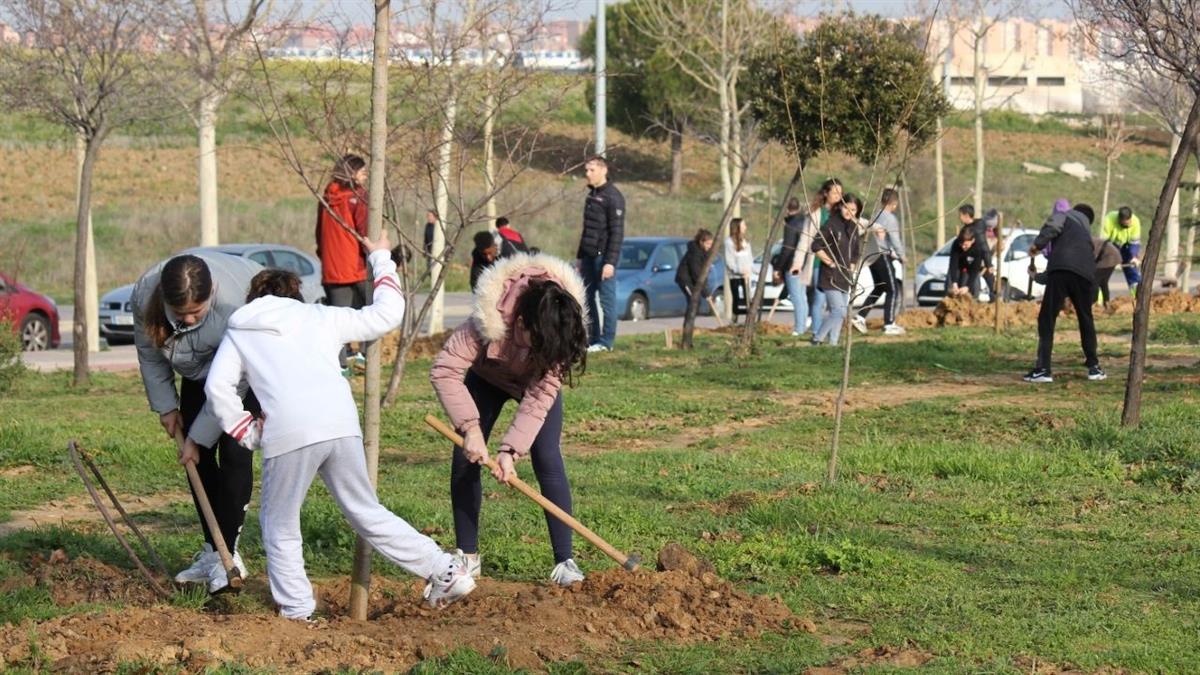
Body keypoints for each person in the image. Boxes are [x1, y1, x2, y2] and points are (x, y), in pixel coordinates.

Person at [199, 231, 475, 619]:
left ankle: (296, 609)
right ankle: (444, 569)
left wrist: (248, 432)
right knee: (365, 511)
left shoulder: (242, 328)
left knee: (279, 523)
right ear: (294, 295)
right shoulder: (320, 316)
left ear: (254, 299)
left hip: (289, 431)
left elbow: (217, 387)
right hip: (341, 424)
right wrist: (380, 257)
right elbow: (386, 314)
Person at [430, 253, 589, 586]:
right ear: (522, 324)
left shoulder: (559, 326)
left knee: (547, 457)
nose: (544, 351)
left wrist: (510, 451)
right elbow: (446, 369)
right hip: (486, 378)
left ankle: (565, 562)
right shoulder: (488, 318)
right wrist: (471, 429)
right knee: (465, 456)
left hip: (531, 386)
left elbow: (538, 399)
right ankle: (467, 558)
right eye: (540, 344)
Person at [131, 251, 262, 594]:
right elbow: (149, 351)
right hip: (198, 366)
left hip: (248, 370)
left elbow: (232, 385)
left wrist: (199, 435)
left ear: (211, 295)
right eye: (180, 313)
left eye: (196, 312)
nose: (188, 320)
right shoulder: (146, 294)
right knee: (196, 458)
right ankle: (211, 550)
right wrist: (166, 407)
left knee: (234, 453)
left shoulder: (236, 306)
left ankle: (229, 553)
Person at [1023, 203, 1104, 383]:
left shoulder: (1065, 216)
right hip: (1085, 276)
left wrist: (1037, 246)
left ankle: (1043, 369)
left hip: (1060, 272)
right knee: (1086, 318)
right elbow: (1072, 266)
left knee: (1047, 318)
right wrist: (1038, 277)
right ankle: (1094, 368)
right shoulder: (1085, 235)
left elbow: (1052, 228)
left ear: (1074, 211)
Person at [315, 154, 370, 369]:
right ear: (352, 173)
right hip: (357, 266)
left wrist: (326, 258)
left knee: (337, 321)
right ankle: (365, 356)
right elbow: (364, 231)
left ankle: (340, 366)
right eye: (362, 170)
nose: (366, 174)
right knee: (374, 310)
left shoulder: (326, 199)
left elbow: (319, 233)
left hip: (332, 269)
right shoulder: (358, 196)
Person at [577, 155, 625, 353]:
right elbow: (587, 230)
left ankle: (606, 342)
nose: (587, 174)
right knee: (587, 299)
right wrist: (580, 258)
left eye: (591, 170)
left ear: (603, 171)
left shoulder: (613, 197)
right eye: (586, 170)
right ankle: (593, 338)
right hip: (588, 257)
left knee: (607, 301)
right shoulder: (592, 196)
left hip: (604, 257)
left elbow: (617, 233)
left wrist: (610, 262)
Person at [810, 194, 864, 346]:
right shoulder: (831, 224)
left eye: (853, 209)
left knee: (841, 313)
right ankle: (817, 339)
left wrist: (851, 268)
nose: (849, 212)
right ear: (841, 206)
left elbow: (855, 253)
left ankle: (833, 344)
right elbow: (815, 246)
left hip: (845, 277)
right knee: (838, 311)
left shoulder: (853, 228)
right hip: (830, 276)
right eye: (846, 207)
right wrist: (830, 263)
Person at [853, 189, 906, 336]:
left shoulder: (876, 214)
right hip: (882, 255)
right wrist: (901, 255)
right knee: (893, 288)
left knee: (880, 287)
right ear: (894, 204)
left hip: (872, 255)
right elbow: (894, 239)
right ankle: (889, 324)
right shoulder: (890, 218)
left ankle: (860, 317)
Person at [773, 197, 816, 336]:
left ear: (786, 210)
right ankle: (802, 326)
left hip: (793, 265)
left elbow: (787, 248)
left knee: (797, 298)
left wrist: (778, 267)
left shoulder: (791, 225)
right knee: (802, 297)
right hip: (804, 264)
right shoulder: (804, 221)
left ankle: (799, 328)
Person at [808, 178, 844, 336]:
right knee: (820, 299)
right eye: (835, 192)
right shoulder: (818, 213)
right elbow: (808, 239)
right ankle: (816, 331)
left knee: (836, 304)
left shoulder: (841, 213)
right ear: (826, 193)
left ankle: (830, 335)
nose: (838, 195)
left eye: (840, 193)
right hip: (819, 262)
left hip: (837, 264)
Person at [1101, 206, 1141, 296]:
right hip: (1112, 246)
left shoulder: (1135, 221)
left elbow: (1134, 244)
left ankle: (1136, 297)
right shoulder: (1109, 219)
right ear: (1120, 220)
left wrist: (1134, 257)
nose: (1128, 225)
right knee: (1102, 274)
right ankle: (1098, 303)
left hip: (1127, 247)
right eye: (1125, 223)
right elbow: (1104, 243)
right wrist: (1111, 259)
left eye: (1129, 223)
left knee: (1133, 271)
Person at [958, 205, 995, 300]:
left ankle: (993, 297)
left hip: (978, 260)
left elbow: (984, 246)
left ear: (966, 216)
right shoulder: (966, 229)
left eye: (960, 215)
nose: (959, 217)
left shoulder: (976, 229)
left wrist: (989, 264)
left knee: (980, 279)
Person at [724, 218, 754, 320]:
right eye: (743, 225)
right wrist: (740, 271)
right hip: (735, 275)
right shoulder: (729, 242)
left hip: (747, 275)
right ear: (737, 227)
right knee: (736, 299)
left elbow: (749, 258)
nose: (745, 227)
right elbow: (730, 261)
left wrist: (751, 269)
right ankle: (734, 319)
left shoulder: (745, 241)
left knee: (748, 299)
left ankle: (749, 320)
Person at [947, 226, 988, 300]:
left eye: (966, 245)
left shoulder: (978, 247)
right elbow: (953, 265)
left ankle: (973, 299)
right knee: (950, 281)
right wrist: (954, 283)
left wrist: (967, 287)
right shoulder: (956, 244)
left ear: (972, 241)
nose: (963, 247)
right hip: (958, 266)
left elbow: (975, 270)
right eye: (961, 244)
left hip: (971, 268)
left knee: (975, 282)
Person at [676, 228, 714, 302]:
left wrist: (706, 291)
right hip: (686, 279)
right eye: (708, 244)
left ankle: (692, 313)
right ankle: (690, 313)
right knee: (694, 301)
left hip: (693, 279)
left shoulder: (704, 253)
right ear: (701, 242)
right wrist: (706, 293)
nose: (710, 246)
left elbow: (703, 273)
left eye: (711, 244)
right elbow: (696, 274)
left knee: (695, 302)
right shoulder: (695, 254)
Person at [1092, 235, 1122, 308]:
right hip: (1111, 255)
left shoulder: (1082, 243)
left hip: (1109, 256)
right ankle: (1107, 303)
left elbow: (1089, 258)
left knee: (1094, 281)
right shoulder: (1083, 240)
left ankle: (1094, 304)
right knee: (1103, 282)